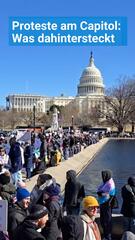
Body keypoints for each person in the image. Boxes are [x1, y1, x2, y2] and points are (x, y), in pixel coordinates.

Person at [97, 170, 116, 240]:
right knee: (103, 220)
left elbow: (111, 194)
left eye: (104, 176)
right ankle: (105, 235)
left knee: (107, 221)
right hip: (103, 203)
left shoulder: (110, 184)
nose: (103, 177)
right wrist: (100, 193)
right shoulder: (106, 182)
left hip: (107, 205)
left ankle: (108, 237)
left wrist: (101, 193)